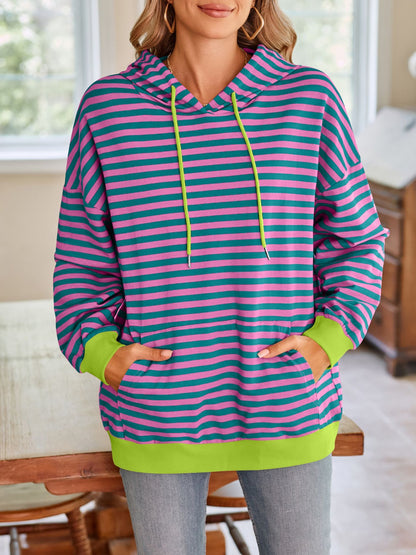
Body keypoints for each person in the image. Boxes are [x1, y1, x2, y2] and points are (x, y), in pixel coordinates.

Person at [52, 0, 389, 553]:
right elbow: (82, 259)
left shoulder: (309, 99)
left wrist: (329, 339)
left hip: (287, 400)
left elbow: (357, 240)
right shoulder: (108, 109)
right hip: (156, 410)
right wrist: (99, 352)